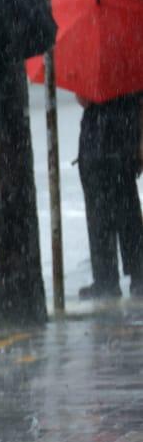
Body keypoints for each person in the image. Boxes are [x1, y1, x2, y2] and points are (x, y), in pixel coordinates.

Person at [76, 91, 143, 299]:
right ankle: (137, 275)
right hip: (123, 137)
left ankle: (107, 279)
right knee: (127, 210)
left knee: (101, 215)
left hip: (98, 140)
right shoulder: (132, 65)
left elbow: (84, 99)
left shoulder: (91, 63)